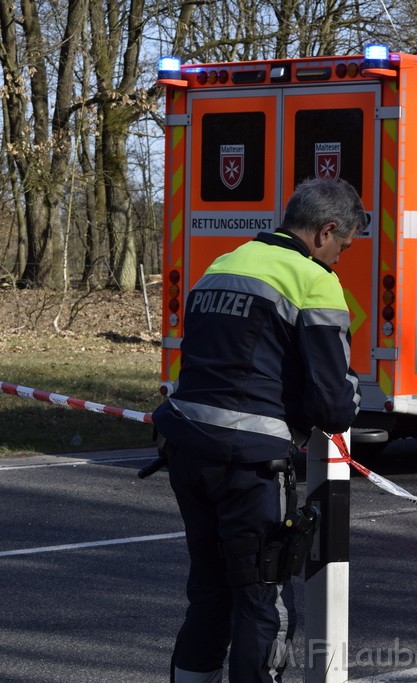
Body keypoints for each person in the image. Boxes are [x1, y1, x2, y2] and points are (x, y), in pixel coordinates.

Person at [152, 177, 365, 682]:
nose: (341, 259)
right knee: (262, 600)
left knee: (208, 592)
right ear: (324, 232)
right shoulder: (313, 280)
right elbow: (334, 405)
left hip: (185, 447)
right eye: (344, 246)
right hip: (249, 464)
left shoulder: (224, 263)